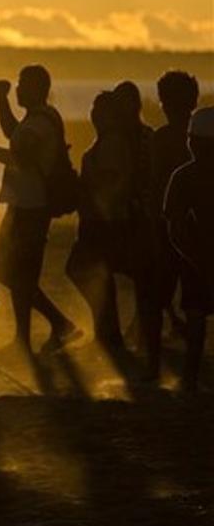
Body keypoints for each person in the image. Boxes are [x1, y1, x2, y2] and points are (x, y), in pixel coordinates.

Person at [0, 66, 81, 354]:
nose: (17, 89)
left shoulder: (39, 123)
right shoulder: (41, 117)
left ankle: (50, 328)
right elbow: (13, 133)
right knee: (13, 274)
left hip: (30, 207)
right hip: (26, 205)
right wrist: (0, 98)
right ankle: (32, 335)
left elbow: (18, 158)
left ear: (36, 88)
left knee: (16, 274)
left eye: (20, 85)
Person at [65, 91, 134, 351]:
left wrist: (84, 190)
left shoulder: (113, 142)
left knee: (83, 270)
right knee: (93, 275)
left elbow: (113, 181)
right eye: (93, 108)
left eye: (100, 110)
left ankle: (109, 335)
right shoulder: (105, 140)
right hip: (98, 219)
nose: (94, 114)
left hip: (105, 220)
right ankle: (107, 334)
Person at [145, 71, 201, 378]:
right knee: (194, 303)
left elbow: (156, 185)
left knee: (156, 300)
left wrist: (153, 223)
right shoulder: (202, 137)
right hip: (199, 227)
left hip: (168, 225)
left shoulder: (163, 138)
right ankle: (190, 372)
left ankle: (154, 367)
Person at [162, 107, 214, 393]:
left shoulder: (183, 176)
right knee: (194, 317)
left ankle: (190, 379)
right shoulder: (182, 177)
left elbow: (175, 227)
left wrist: (194, 260)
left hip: (195, 257)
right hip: (196, 257)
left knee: (195, 318)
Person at [112, 81, 156, 349]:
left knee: (142, 273)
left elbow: (149, 174)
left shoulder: (144, 136)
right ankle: (144, 325)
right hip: (126, 212)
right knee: (138, 273)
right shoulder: (121, 137)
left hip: (141, 213)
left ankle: (141, 328)